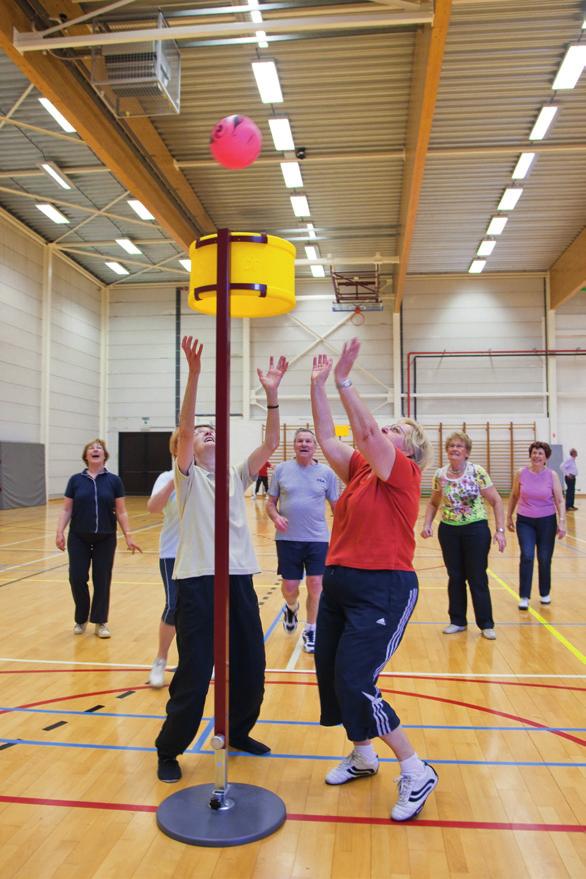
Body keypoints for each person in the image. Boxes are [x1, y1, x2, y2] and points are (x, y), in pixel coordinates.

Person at [310, 338, 438, 823]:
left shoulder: (402, 472)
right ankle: (364, 754)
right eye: (388, 425)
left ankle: (415, 766)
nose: (387, 429)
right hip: (340, 583)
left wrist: (345, 380)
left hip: (383, 588)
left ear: (409, 447)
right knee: (332, 676)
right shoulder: (361, 469)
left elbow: (363, 431)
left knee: (356, 679)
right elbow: (327, 437)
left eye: (398, 428)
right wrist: (318, 387)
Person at [155, 337, 288, 783]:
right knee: (197, 668)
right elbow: (188, 427)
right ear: (186, 448)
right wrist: (194, 373)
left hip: (238, 578)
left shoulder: (235, 475)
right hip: (197, 581)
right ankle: (169, 748)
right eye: (202, 433)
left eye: (215, 430)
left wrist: (271, 394)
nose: (208, 433)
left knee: (251, 661)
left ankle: (237, 731)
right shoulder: (187, 476)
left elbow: (271, 441)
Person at [421, 432, 505, 640]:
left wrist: (500, 531)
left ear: (466, 452)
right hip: (449, 530)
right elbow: (433, 502)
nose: (455, 449)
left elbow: (496, 501)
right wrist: (427, 524)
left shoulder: (477, 472)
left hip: (475, 529)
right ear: (447, 450)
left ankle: (486, 623)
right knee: (455, 576)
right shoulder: (440, 474)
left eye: (459, 446)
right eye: (451, 446)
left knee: (476, 576)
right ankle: (457, 620)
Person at [55, 438, 142, 638]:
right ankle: (81, 618)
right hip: (78, 536)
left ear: (104, 455)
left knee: (102, 579)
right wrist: (59, 531)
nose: (96, 449)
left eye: (99, 448)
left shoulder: (114, 481)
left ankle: (101, 621)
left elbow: (121, 511)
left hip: (106, 537)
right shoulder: (75, 480)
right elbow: (67, 508)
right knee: (76, 577)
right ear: (86, 456)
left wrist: (128, 535)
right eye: (92, 448)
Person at [266, 428, 338, 653]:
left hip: (317, 539)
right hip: (288, 540)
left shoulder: (326, 473)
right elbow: (270, 503)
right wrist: (276, 516)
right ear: (294, 445)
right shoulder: (281, 470)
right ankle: (291, 607)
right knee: (290, 587)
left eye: (308, 441)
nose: (304, 444)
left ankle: (311, 629)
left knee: (316, 586)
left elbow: (338, 508)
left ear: (315, 447)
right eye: (300, 441)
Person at [506, 441, 566, 609]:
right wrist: (508, 516)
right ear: (530, 455)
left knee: (544, 558)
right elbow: (513, 496)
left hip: (547, 521)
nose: (537, 456)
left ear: (546, 457)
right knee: (527, 555)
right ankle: (524, 596)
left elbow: (560, 500)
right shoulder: (521, 473)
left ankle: (544, 592)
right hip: (525, 521)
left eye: (540, 453)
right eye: (534, 452)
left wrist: (562, 522)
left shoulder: (551, 475)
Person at [146, 428, 181, 688]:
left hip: (205, 556)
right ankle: (160, 659)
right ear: (175, 448)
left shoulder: (210, 477)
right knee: (174, 605)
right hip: (173, 553)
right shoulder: (166, 478)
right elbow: (153, 508)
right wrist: (176, 479)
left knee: (202, 609)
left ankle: (196, 659)